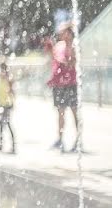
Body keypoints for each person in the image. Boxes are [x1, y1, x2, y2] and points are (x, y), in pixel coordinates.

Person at [47, 22, 79, 152]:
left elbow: (72, 64)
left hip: (71, 84)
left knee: (74, 113)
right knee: (60, 113)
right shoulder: (59, 46)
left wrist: (66, 59)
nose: (61, 34)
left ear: (70, 33)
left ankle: (78, 140)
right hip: (59, 85)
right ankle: (60, 139)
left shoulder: (75, 46)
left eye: (64, 31)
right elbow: (53, 62)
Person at [0, 61, 16, 154]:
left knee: (6, 124)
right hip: (2, 104)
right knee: (2, 124)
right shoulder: (0, 79)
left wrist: (13, 103)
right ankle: (1, 145)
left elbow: (12, 92)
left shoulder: (8, 79)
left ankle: (11, 146)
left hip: (7, 105)